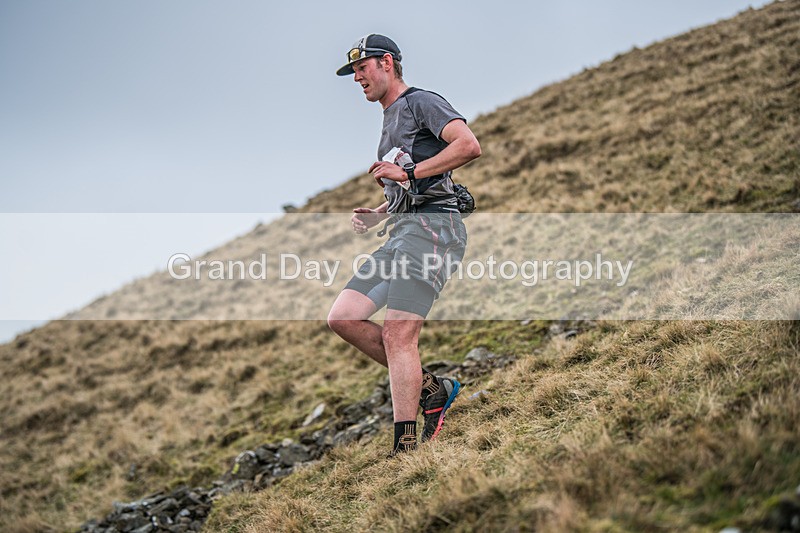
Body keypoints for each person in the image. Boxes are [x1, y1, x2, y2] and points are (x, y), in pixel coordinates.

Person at [327, 34, 481, 456]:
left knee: (398, 333)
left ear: (388, 63)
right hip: (402, 233)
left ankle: (405, 447)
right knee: (343, 318)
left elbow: (468, 145)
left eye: (362, 68)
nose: (357, 77)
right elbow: (409, 180)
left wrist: (407, 177)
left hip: (433, 230)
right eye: (353, 72)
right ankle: (433, 388)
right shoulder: (389, 118)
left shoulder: (420, 102)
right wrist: (381, 210)